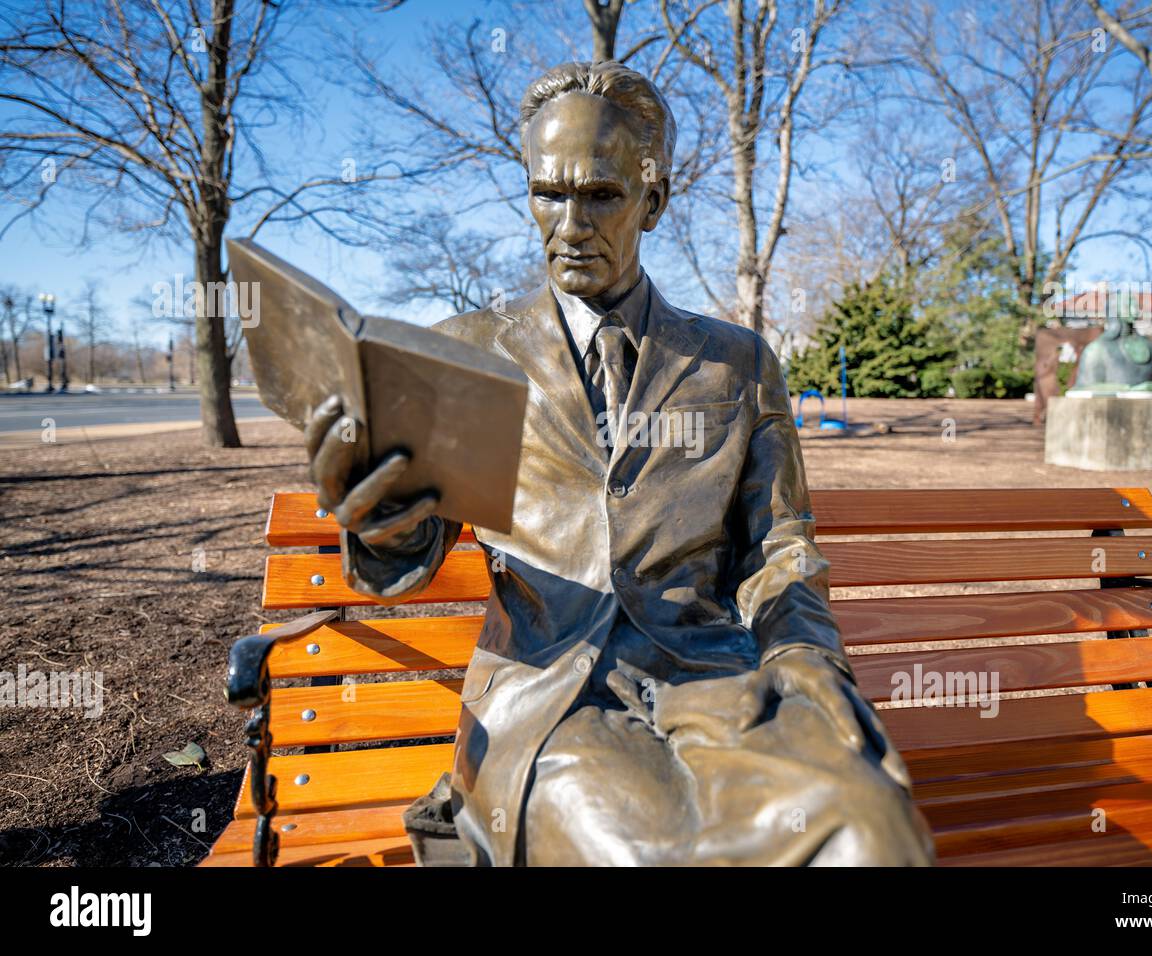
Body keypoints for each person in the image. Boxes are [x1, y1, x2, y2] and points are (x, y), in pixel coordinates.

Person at [305, 61, 934, 866]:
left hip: (718, 682)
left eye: (600, 194)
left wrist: (805, 658)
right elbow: (410, 552)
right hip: (551, 695)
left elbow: (779, 549)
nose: (570, 224)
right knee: (642, 855)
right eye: (547, 193)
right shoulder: (464, 354)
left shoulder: (737, 362)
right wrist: (378, 518)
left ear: (653, 199)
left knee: (872, 827)